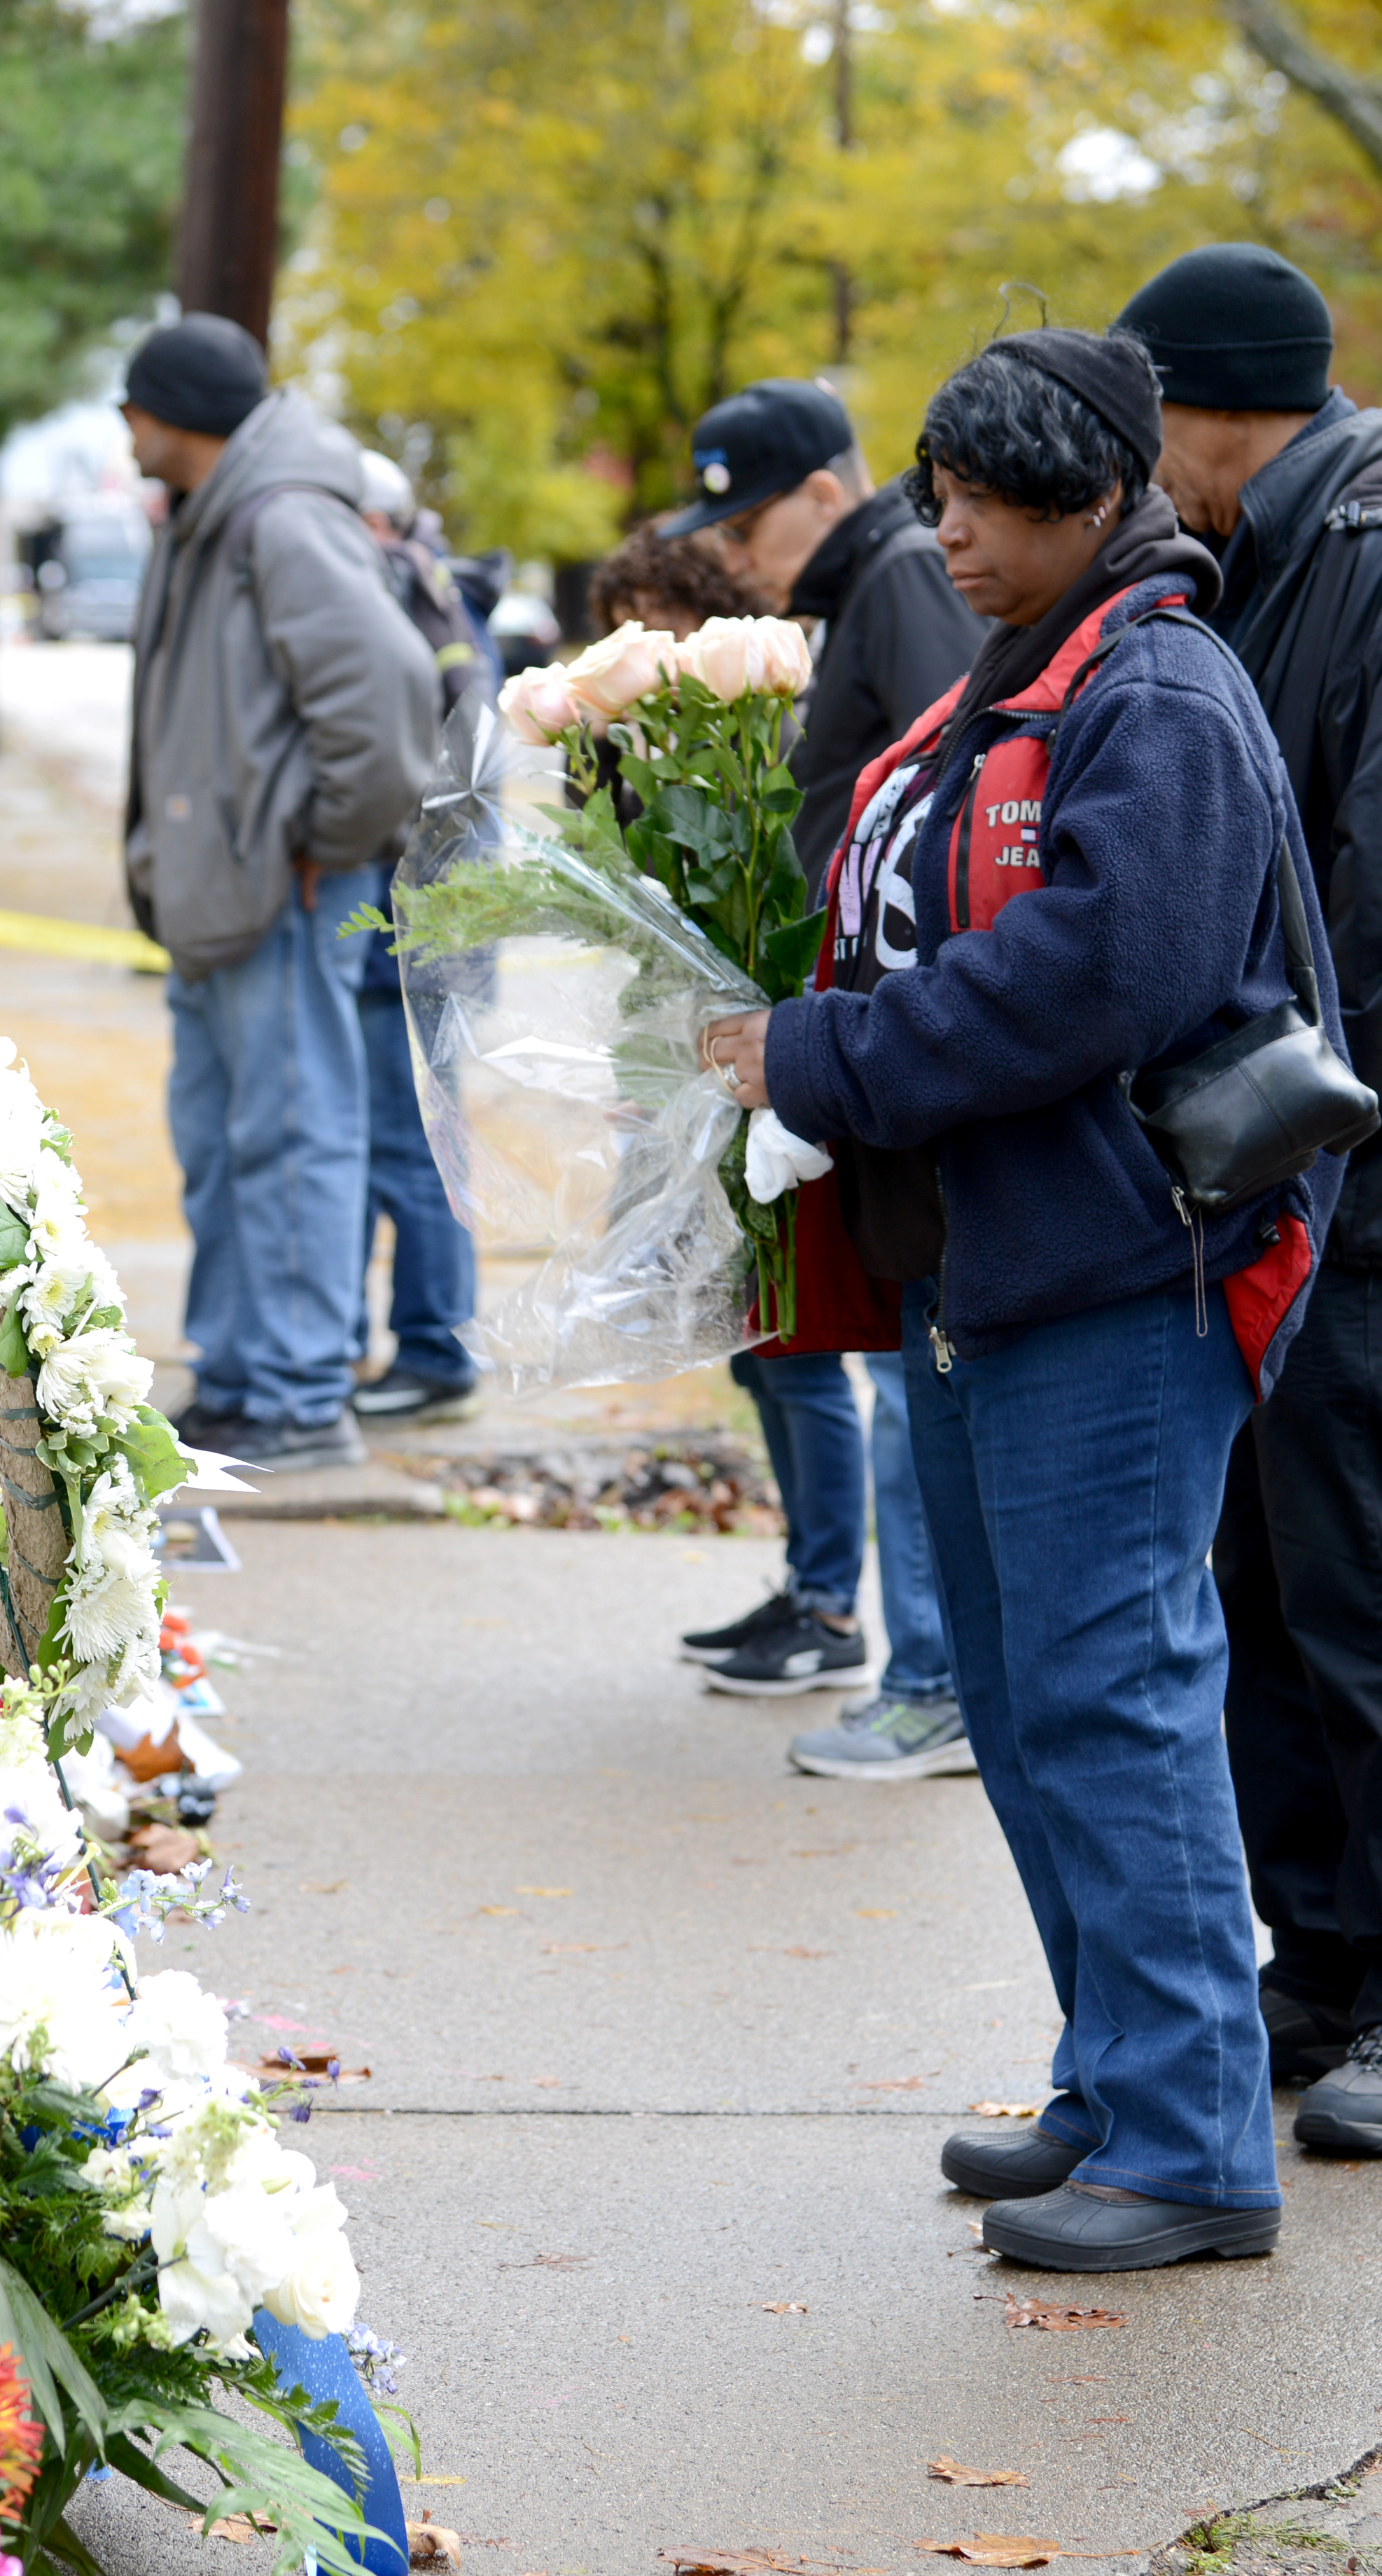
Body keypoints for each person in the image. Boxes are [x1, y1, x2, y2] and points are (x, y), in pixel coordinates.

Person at [697, 328, 1339, 2272]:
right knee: (1027, 1695)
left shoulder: (1162, 687)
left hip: (1117, 1271)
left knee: (1113, 1693)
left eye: (979, 504)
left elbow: (1100, 975)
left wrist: (832, 1060)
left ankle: (1195, 2141)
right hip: (988, 1266)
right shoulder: (1023, 673)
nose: (945, 535)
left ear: (1084, 500)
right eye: (935, 496)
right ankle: (1122, 2074)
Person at [1114, 244, 1382, 2160]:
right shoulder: (1284, 552)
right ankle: (1325, 1966)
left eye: (1155, 433)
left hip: (1364, 1185)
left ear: (1223, 408)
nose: (1149, 478)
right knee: (1262, 1579)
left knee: (1353, 1583)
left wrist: (1309, 1152)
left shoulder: (1378, 565)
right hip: (1295, 1172)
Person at [664, 379, 986, 1771]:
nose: (732, 554)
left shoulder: (904, 575)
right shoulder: (865, 589)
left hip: (904, 1043)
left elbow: (942, 797)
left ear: (821, 494)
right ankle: (930, 1667)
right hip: (871, 1038)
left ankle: (935, 1679)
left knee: (921, 1379)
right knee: (908, 1364)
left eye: (748, 522)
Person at [122, 316, 445, 1471]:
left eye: (133, 408)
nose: (123, 428)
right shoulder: (215, 517)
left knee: (296, 1134)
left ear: (171, 417)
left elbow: (387, 694)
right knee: (223, 1139)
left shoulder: (282, 515)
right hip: (226, 893)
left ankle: (305, 1399)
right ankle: (243, 1378)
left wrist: (321, 845)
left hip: (284, 889)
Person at [568, 528, 876, 1702]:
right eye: (618, 627)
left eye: (657, 618)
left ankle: (831, 1602)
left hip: (766, 1056)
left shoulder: (767, 731)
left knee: (793, 1350)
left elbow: (774, 887)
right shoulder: (647, 748)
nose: (641, 648)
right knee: (745, 1344)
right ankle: (803, 1577)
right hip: (684, 1055)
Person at [344, 449, 496, 1426]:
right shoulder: (441, 596)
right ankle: (421, 1342)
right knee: (411, 1136)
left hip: (412, 917)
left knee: (409, 1142)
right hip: (442, 912)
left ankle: (438, 1349)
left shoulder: (404, 599)